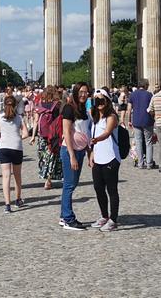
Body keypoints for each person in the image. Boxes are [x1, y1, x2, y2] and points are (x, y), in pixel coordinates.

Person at [59, 82, 92, 230]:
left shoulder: (83, 108)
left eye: (86, 92)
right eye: (81, 92)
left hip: (80, 150)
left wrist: (88, 152)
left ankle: (63, 216)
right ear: (75, 92)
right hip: (69, 151)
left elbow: (85, 131)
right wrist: (72, 155)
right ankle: (68, 218)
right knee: (69, 185)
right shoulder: (68, 108)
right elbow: (66, 132)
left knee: (72, 183)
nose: (84, 94)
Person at [89, 89, 120, 231]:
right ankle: (104, 216)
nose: (99, 103)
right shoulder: (95, 118)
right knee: (98, 188)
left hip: (111, 158)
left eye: (102, 100)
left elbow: (107, 133)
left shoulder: (111, 116)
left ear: (107, 101)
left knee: (111, 189)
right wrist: (91, 155)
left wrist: (96, 140)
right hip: (98, 157)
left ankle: (113, 220)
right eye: (97, 101)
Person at [0, 94, 29, 213]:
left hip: (4, 148)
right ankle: (18, 199)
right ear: (15, 105)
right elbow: (26, 134)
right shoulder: (18, 118)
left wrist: (1, 137)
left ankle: (7, 204)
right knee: (17, 176)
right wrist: (18, 137)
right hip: (16, 147)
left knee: (6, 176)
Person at [30, 85, 62, 190]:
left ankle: (44, 175)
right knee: (52, 156)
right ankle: (48, 179)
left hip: (41, 134)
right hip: (52, 135)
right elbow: (58, 121)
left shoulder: (40, 105)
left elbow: (35, 121)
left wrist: (33, 136)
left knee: (43, 156)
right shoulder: (57, 105)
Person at [127, 79, 156, 170]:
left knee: (138, 142)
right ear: (145, 85)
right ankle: (149, 163)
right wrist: (154, 118)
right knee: (149, 142)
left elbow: (129, 109)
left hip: (136, 121)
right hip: (147, 121)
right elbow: (152, 109)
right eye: (148, 85)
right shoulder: (149, 95)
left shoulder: (133, 94)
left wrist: (129, 120)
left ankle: (140, 163)